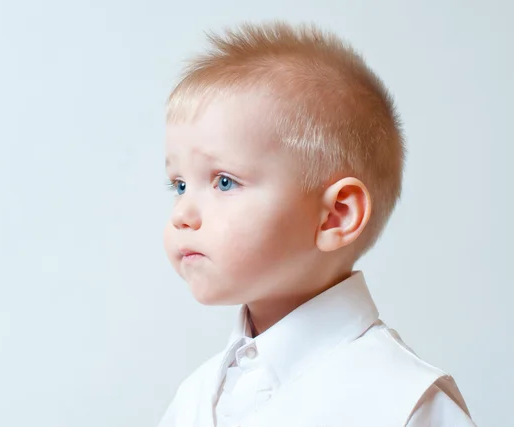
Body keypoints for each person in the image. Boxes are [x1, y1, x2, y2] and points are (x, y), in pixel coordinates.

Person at [159, 20, 475, 426]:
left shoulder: (404, 403)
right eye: (179, 185)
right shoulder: (196, 398)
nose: (183, 213)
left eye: (224, 181)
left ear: (336, 216)